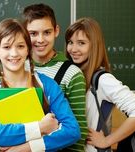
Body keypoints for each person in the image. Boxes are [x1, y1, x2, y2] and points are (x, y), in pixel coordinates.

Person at [0, 18, 80, 152]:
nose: (14, 53)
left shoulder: (47, 84)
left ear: (28, 50)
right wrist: (40, 128)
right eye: (7, 47)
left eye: (20, 46)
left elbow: (72, 131)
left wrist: (25, 148)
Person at [65, 17, 135, 152]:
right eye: (70, 42)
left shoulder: (102, 79)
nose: (73, 49)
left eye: (81, 43)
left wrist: (106, 141)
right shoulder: (73, 75)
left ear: (94, 45)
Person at [22, 3, 87, 151]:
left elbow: (79, 130)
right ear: (24, 34)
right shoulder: (14, 67)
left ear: (56, 31)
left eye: (47, 32)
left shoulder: (72, 73)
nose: (40, 39)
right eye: (33, 33)